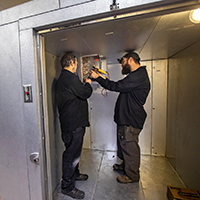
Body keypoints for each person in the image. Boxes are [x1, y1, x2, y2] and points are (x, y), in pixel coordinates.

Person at [90, 51, 150, 184]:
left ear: (130, 60)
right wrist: (100, 77)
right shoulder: (136, 76)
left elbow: (116, 86)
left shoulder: (138, 75)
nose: (122, 65)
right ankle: (125, 167)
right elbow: (118, 86)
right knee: (124, 144)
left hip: (131, 119)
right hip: (126, 118)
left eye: (122, 62)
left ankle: (132, 175)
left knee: (130, 147)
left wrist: (98, 78)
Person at [56, 53, 93, 199]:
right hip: (73, 125)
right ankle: (67, 186)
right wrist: (88, 83)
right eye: (76, 63)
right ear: (71, 63)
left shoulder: (66, 79)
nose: (76, 65)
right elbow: (85, 93)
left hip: (72, 124)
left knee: (74, 152)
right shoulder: (69, 78)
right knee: (71, 155)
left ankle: (75, 174)